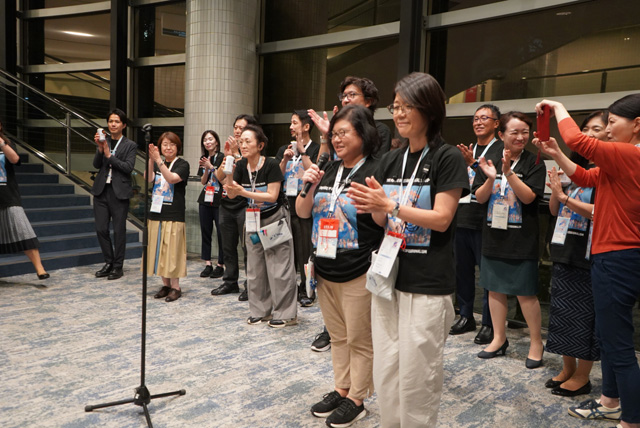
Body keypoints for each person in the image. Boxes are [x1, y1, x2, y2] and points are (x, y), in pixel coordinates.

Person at [348, 72, 469, 427]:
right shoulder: (392, 160)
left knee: (418, 378)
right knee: (387, 370)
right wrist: (374, 207)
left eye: (407, 106)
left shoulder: (447, 157)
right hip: (389, 279)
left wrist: (391, 206)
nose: (399, 114)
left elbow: (442, 219)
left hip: (427, 284)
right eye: (396, 106)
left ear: (428, 109)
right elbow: (384, 220)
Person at [534, 96, 640, 428]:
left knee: (618, 345)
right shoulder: (623, 159)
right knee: (610, 338)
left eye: (612, 123)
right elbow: (583, 177)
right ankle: (610, 402)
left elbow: (577, 140)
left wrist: (557, 107)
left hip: (618, 257)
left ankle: (631, 420)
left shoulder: (631, 154)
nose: (607, 131)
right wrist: (556, 153)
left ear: (637, 124)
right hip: (613, 255)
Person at [296, 105, 383, 427]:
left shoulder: (374, 170)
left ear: (363, 133)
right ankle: (341, 388)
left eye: (344, 132)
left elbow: (382, 220)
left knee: (359, 338)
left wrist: (379, 200)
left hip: (358, 268)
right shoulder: (328, 169)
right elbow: (303, 212)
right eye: (334, 134)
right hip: (325, 267)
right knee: (338, 336)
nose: (337, 139)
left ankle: (357, 399)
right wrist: (309, 184)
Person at [540, 111, 607, 398]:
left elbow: (600, 212)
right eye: (585, 129)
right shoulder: (575, 167)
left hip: (590, 254)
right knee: (562, 314)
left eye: (596, 129)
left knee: (585, 318)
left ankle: (583, 376)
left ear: (609, 134)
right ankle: (567, 368)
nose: (589, 134)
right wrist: (557, 191)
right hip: (564, 247)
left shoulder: (609, 169)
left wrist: (566, 197)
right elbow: (555, 211)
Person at [473, 111, 546, 368]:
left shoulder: (535, 161)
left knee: (526, 292)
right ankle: (499, 338)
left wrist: (509, 173)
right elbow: (480, 197)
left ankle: (536, 342)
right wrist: (491, 177)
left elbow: (529, 197)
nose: (520, 137)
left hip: (522, 238)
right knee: (494, 289)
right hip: (494, 234)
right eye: (514, 132)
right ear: (502, 134)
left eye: (525, 132)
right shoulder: (489, 159)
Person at [219, 124, 297, 328]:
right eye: (241, 142)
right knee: (255, 268)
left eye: (248, 141)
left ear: (260, 145)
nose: (243, 145)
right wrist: (229, 168)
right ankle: (260, 311)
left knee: (279, 268)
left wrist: (244, 192)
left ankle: (286, 314)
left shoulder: (271, 164)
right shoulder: (241, 166)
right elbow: (231, 193)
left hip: (274, 219)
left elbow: (272, 196)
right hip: (253, 220)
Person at [451, 104, 503, 345]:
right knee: (462, 272)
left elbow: (498, 182)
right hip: (463, 216)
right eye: (475, 118)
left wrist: (473, 163)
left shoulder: (501, 150)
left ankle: (490, 324)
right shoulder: (468, 148)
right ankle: (465, 315)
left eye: (484, 118)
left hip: (487, 220)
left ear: (496, 123)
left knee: (488, 275)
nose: (478, 122)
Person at [275, 110, 320, 307]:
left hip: (306, 208)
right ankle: (289, 288)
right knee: (287, 251)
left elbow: (315, 172)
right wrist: (285, 160)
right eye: (291, 123)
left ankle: (307, 289)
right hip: (286, 206)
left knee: (305, 252)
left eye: (294, 123)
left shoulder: (316, 149)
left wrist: (302, 152)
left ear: (306, 127)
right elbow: (276, 177)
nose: (291, 127)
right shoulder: (284, 149)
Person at [211, 114, 259, 301]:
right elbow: (219, 177)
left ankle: (251, 285)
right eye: (236, 127)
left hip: (245, 206)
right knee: (227, 246)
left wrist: (237, 154)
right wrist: (227, 157)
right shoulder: (228, 151)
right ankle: (230, 281)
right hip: (226, 205)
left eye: (242, 127)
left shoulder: (251, 152)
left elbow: (249, 174)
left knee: (248, 247)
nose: (238, 131)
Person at [91, 109, 138, 280]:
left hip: (119, 192)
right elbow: (96, 165)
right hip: (101, 191)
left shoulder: (130, 145)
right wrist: (100, 148)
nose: (113, 124)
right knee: (101, 229)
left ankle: (118, 266)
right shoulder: (105, 141)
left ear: (123, 125)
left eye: (117, 121)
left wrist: (109, 155)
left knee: (119, 231)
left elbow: (128, 167)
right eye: (110, 121)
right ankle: (109, 262)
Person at [0, 121, 49, 280]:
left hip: (7, 194)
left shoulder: (7, 143)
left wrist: (2, 144)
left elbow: (15, 160)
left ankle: (40, 268)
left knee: (23, 229)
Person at [145, 132, 190, 302]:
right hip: (156, 213)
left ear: (178, 147)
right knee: (159, 251)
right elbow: (148, 178)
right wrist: (151, 159)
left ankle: (175, 287)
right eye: (165, 144)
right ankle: (165, 285)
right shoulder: (158, 162)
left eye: (172, 144)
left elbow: (171, 179)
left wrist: (158, 160)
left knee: (172, 253)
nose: (168, 147)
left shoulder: (182, 164)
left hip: (174, 214)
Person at [308, 75, 392, 159]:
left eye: (352, 95)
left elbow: (377, 165)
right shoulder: (337, 133)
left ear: (368, 102)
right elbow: (324, 165)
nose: (345, 100)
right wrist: (326, 135)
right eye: (344, 96)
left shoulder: (380, 130)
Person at [197, 130, 225, 279]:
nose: (207, 142)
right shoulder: (203, 158)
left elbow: (222, 179)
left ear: (216, 142)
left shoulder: (222, 157)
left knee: (221, 233)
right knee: (205, 231)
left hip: (219, 200)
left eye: (210, 139)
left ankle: (220, 264)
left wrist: (211, 166)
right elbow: (203, 181)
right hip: (205, 199)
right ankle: (208, 263)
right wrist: (206, 168)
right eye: (205, 140)